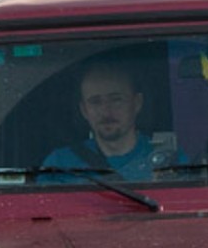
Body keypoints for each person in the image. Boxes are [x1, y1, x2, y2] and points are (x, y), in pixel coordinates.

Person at [40, 60, 181, 180]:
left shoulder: (169, 159)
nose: (106, 111)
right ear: (84, 110)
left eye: (116, 100)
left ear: (137, 103)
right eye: (95, 102)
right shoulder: (59, 166)